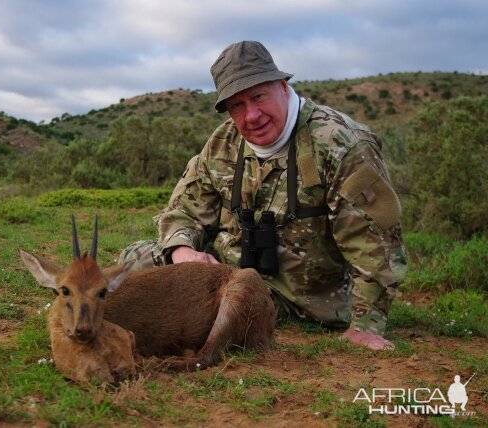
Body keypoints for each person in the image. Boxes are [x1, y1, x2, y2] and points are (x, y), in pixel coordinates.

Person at [119, 41, 407, 351]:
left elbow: (376, 243)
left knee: (198, 312)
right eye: (237, 105)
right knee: (136, 259)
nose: (252, 115)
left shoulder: (339, 143)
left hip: (304, 299)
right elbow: (184, 213)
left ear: (283, 87)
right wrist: (183, 253)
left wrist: (366, 326)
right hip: (226, 279)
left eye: (258, 96)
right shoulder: (223, 143)